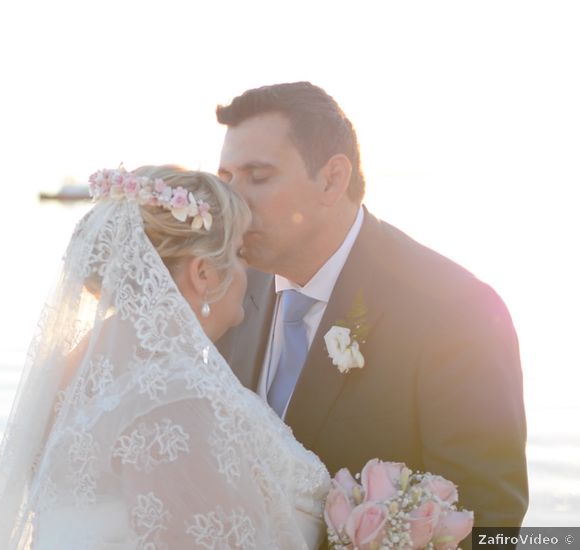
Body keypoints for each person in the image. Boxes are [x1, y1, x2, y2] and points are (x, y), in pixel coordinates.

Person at [214, 82, 529, 545]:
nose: (233, 202)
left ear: (332, 179)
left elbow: (488, 518)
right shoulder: (228, 289)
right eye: (226, 180)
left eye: (258, 177)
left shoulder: (456, 310)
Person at [0, 166, 331, 549]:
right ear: (203, 273)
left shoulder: (69, 369)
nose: (248, 271)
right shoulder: (173, 395)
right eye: (239, 253)